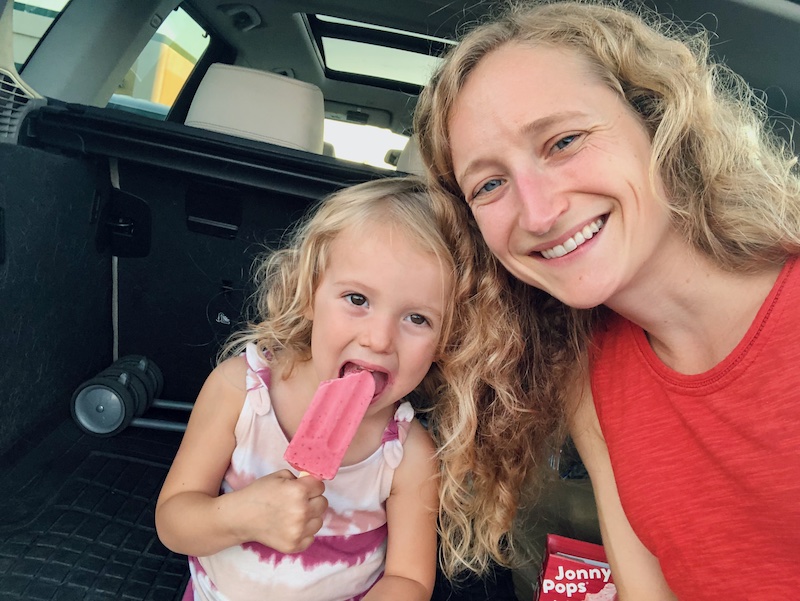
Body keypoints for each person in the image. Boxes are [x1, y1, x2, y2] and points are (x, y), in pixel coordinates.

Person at [413, 1, 800, 599]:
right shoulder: (589, 377)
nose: (538, 212)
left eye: (563, 141)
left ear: (658, 119)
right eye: (489, 184)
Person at [155, 176, 485, 601]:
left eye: (417, 318)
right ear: (309, 293)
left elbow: (409, 580)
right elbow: (173, 522)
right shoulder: (239, 390)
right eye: (357, 299)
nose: (379, 339)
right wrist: (239, 517)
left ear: (446, 342)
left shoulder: (409, 456)